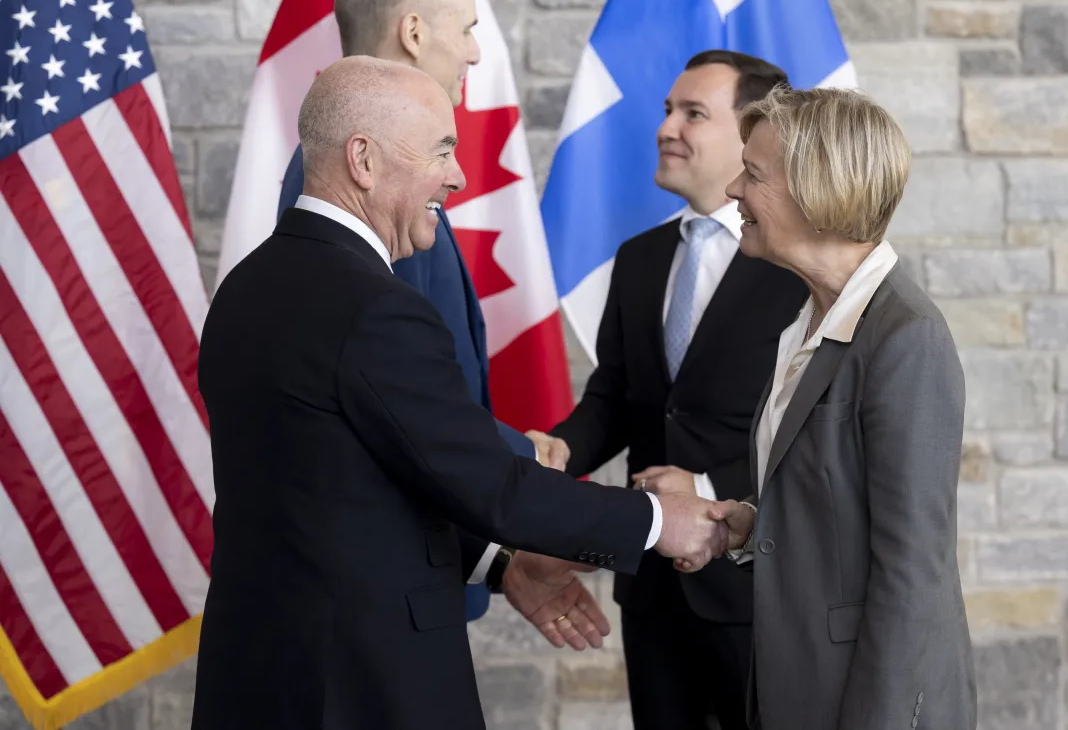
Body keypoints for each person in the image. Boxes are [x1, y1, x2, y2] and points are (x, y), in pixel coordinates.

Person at [194, 56, 734, 730]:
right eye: (441, 151)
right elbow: (493, 486)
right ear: (363, 158)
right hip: (358, 686)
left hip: (256, 676)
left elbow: (341, 489)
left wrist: (500, 565)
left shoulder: (244, 289)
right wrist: (657, 519)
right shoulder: (373, 308)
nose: (457, 175)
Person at [274, 0, 563, 622]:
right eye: (465, 29)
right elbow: (395, 395)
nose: (472, 55)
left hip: (420, 549)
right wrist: (520, 455)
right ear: (412, 32)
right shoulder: (360, 187)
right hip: (386, 580)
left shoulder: (378, 168)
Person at [526, 51, 807, 730]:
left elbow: (814, 431)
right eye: (666, 111)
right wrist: (563, 446)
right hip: (650, 589)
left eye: (693, 113)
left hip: (756, 586)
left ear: (753, 135)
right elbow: (617, 396)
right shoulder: (641, 258)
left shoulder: (802, 267)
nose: (666, 127)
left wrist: (707, 490)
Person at [717, 87, 976, 729]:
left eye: (752, 174)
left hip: (866, 704)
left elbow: (912, 572)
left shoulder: (905, 337)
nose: (732, 190)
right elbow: (838, 510)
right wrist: (753, 524)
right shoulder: (808, 318)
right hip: (796, 687)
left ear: (817, 190)